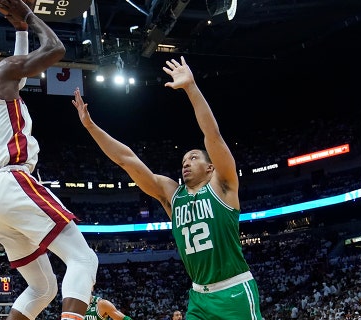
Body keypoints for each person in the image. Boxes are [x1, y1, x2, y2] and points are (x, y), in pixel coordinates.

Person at [71, 56, 262, 320]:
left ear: (210, 168)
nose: (186, 163)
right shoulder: (173, 195)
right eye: (183, 160)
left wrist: (191, 88)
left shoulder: (224, 186)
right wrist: (91, 126)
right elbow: (127, 160)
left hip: (234, 290)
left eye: (194, 158)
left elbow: (213, 136)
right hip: (199, 297)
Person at [0, 0, 98, 319]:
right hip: (12, 180)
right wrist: (29, 15)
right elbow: (55, 50)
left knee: (43, 289)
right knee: (84, 259)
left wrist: (21, 31)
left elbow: (18, 77)